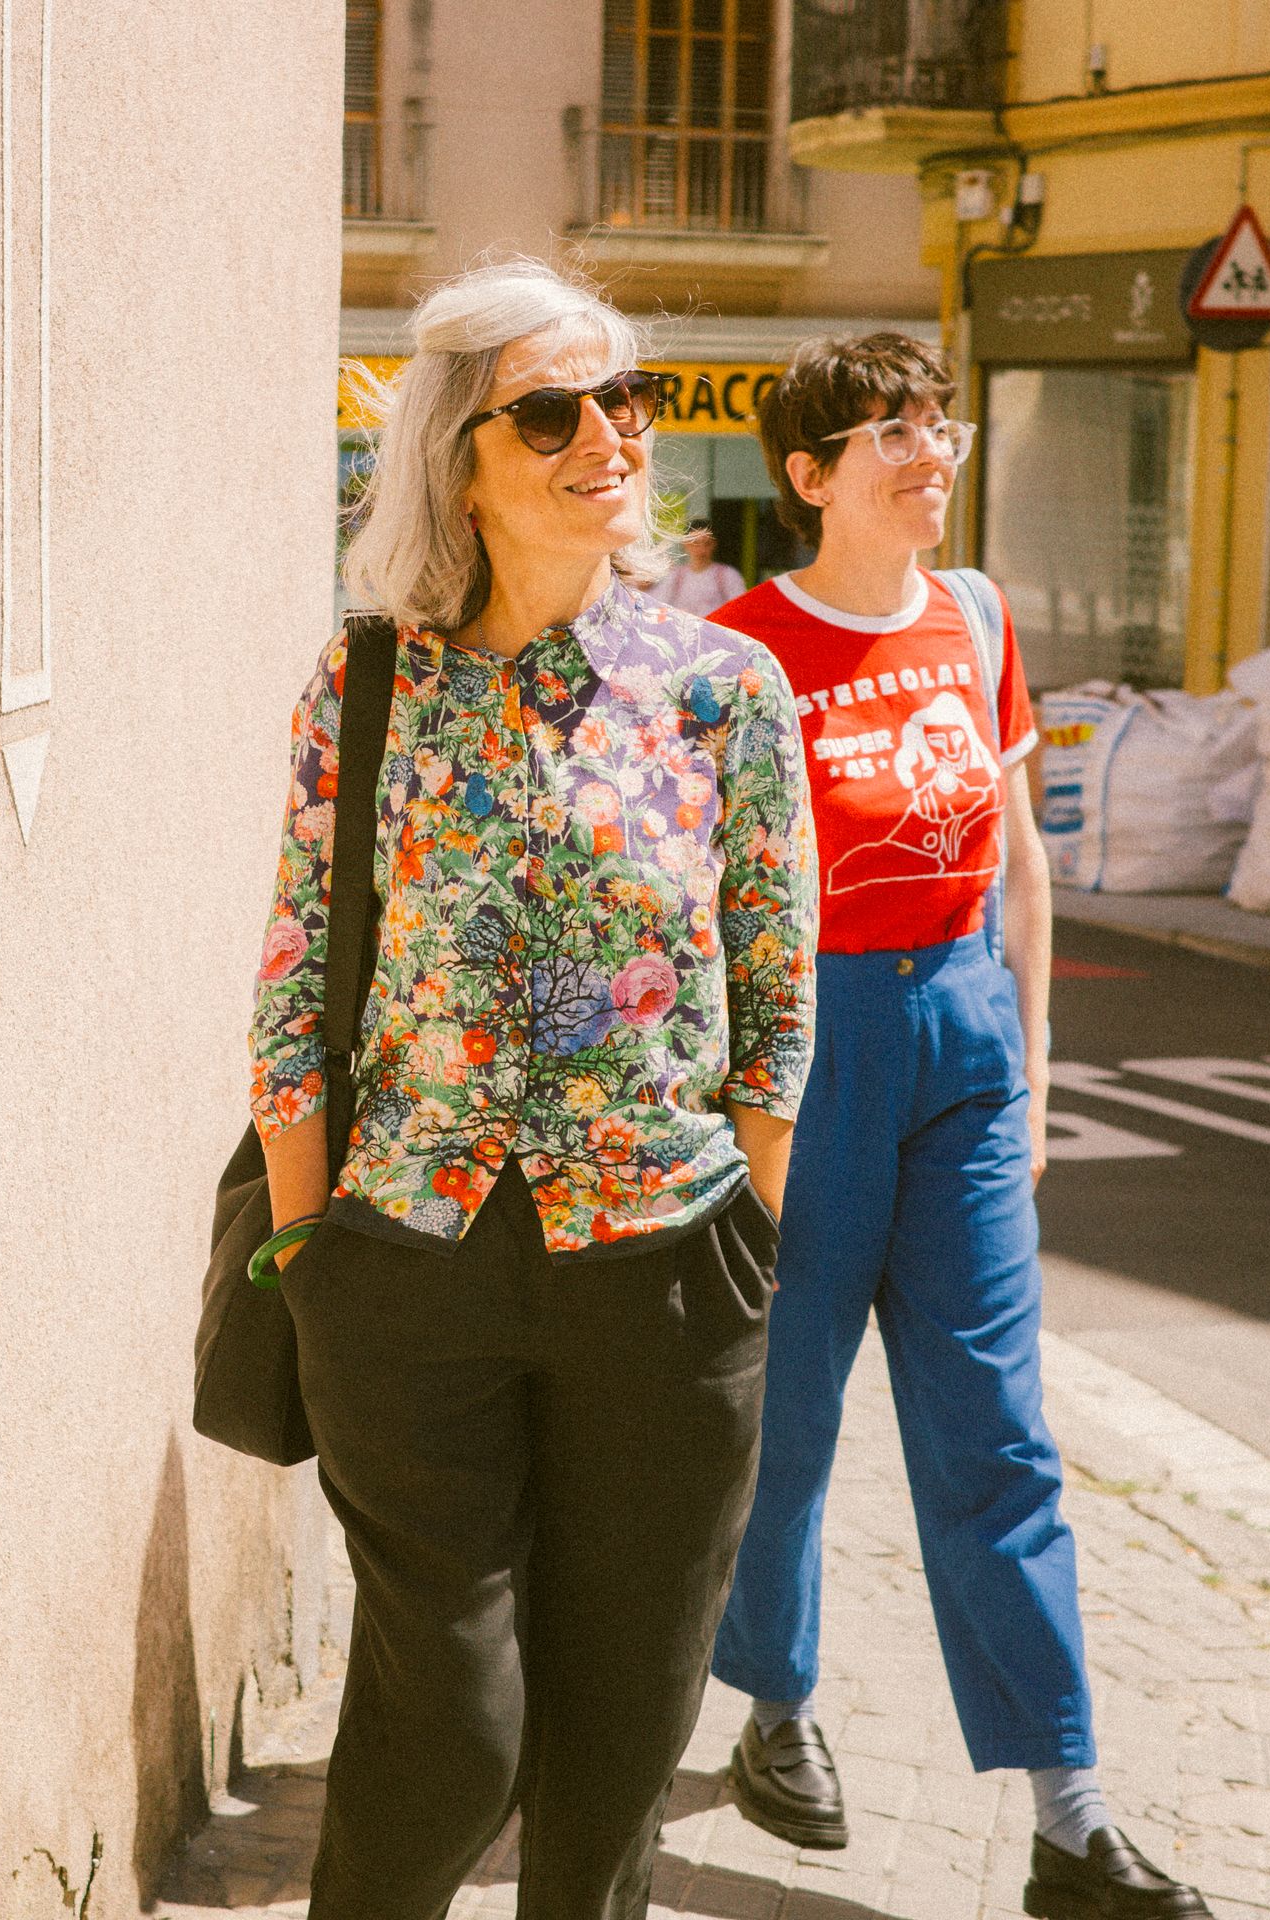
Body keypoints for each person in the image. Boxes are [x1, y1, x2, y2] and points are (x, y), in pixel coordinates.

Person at [247, 259, 818, 1918]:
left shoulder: (724, 690)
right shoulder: (366, 689)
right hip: (409, 1263)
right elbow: (294, 985)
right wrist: (311, 1254)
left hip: (670, 1266)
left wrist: (753, 1228)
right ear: (457, 456)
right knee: (456, 1726)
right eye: (553, 411)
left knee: (619, 1753)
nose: (607, 437)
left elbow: (781, 992)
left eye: (622, 400)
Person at [705, 333, 1215, 1920]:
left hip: (965, 1040)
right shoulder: (739, 652)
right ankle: (776, 1709)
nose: (932, 455)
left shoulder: (975, 616)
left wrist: (1037, 1075)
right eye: (890, 436)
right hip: (804, 1052)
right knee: (784, 1423)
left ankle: (1071, 1819)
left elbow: (1023, 865)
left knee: (998, 1437)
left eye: (941, 426)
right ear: (809, 478)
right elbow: (701, 906)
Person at [651, 518, 748, 616]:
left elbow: (739, 611)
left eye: (707, 543)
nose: (701, 550)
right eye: (695, 543)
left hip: (714, 629)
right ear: (685, 544)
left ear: (714, 544)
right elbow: (658, 605)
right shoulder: (675, 576)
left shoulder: (728, 575)